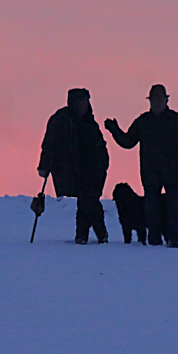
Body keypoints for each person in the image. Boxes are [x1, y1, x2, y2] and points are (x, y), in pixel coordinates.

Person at [104, 84, 178, 248]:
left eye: (160, 99)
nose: (156, 103)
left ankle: (175, 240)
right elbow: (128, 142)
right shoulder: (143, 122)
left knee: (173, 208)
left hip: (175, 174)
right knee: (151, 210)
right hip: (150, 175)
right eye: (154, 100)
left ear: (166, 100)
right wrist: (115, 130)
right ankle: (154, 242)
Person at [38, 88, 110, 244]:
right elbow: (50, 144)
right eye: (80, 101)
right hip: (72, 168)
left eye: (85, 101)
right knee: (88, 200)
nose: (84, 104)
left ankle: (84, 235)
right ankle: (98, 233)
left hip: (93, 169)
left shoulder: (90, 122)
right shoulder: (61, 120)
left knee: (87, 200)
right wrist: (44, 165)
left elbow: (99, 144)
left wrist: (104, 162)